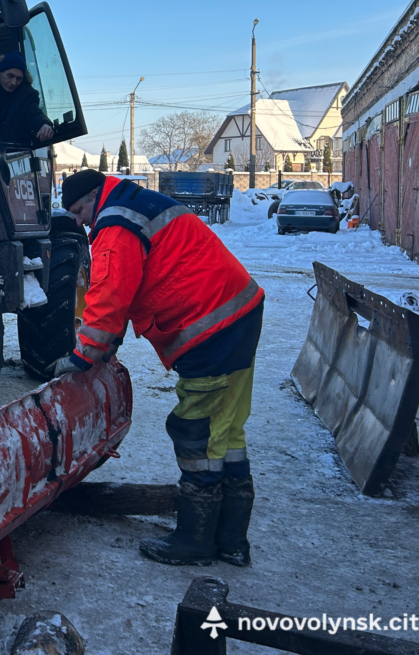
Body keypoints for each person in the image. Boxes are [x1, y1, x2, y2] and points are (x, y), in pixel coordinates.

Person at [57, 168, 265, 568]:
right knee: (227, 431)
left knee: (197, 432)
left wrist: (83, 355)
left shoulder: (116, 222)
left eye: (80, 210)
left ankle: (196, 539)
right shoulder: (138, 203)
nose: (80, 221)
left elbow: (109, 293)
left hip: (212, 327)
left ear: (94, 195)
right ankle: (232, 540)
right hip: (239, 312)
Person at [0, 51, 55, 147]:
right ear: (0, 72)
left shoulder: (26, 96)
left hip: (13, 153)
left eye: (19, 78)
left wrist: (44, 125)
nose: (13, 82)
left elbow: (34, 114)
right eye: (10, 76)